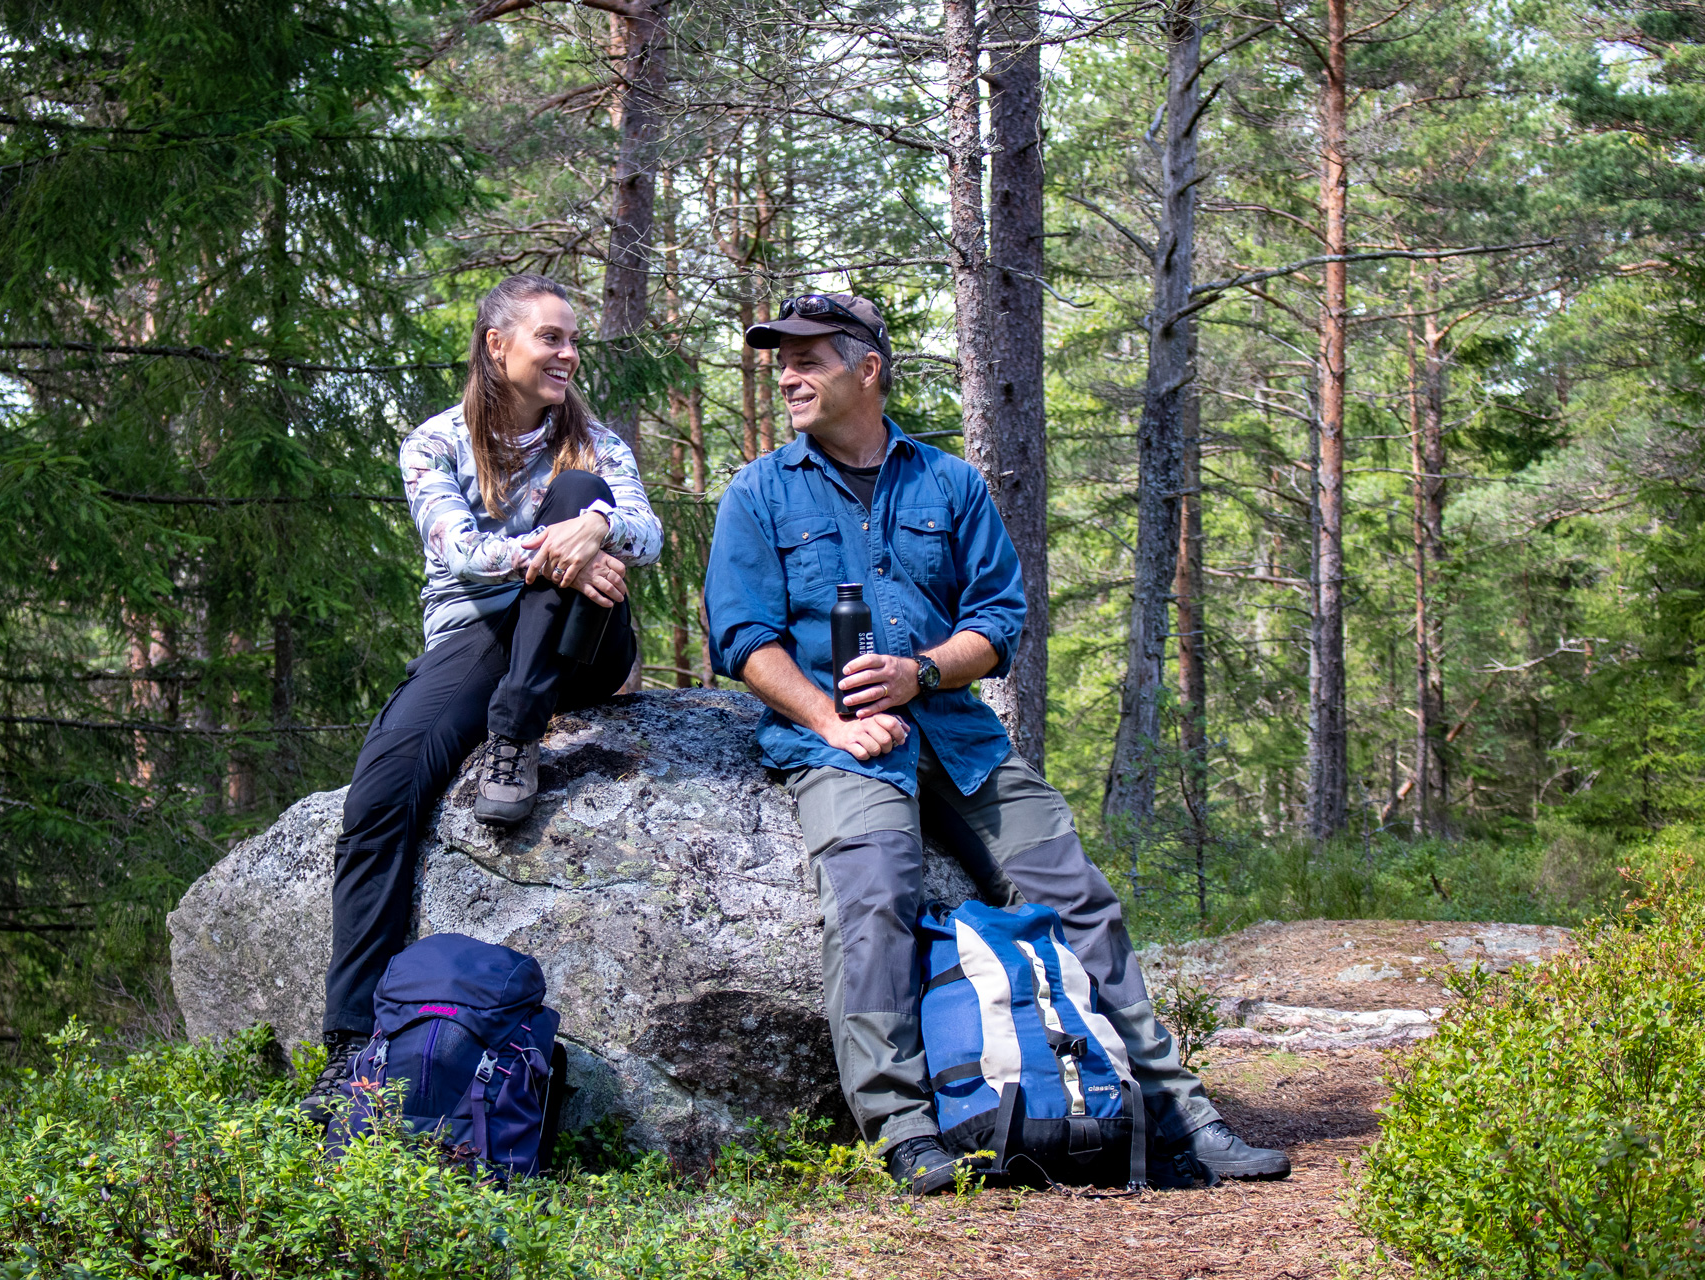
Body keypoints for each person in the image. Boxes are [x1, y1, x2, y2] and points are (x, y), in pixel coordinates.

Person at [703, 292, 1289, 1193]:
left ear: (868, 368)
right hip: (837, 746)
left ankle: (1180, 1116)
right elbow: (743, 638)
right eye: (781, 360)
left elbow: (999, 622)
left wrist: (921, 673)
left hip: (961, 736)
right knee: (875, 895)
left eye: (809, 358)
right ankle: (904, 1131)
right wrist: (834, 721)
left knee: (1075, 895)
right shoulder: (760, 491)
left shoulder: (949, 484)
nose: (787, 375)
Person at [301, 274, 661, 1117]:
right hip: (477, 638)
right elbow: (462, 556)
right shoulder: (434, 444)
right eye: (551, 338)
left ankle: (516, 729)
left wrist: (597, 527)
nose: (569, 354)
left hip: (585, 642)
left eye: (574, 340)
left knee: (583, 494)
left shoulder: (594, 440)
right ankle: (354, 1044)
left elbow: (647, 529)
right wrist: (563, 548)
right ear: (497, 347)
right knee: (383, 790)